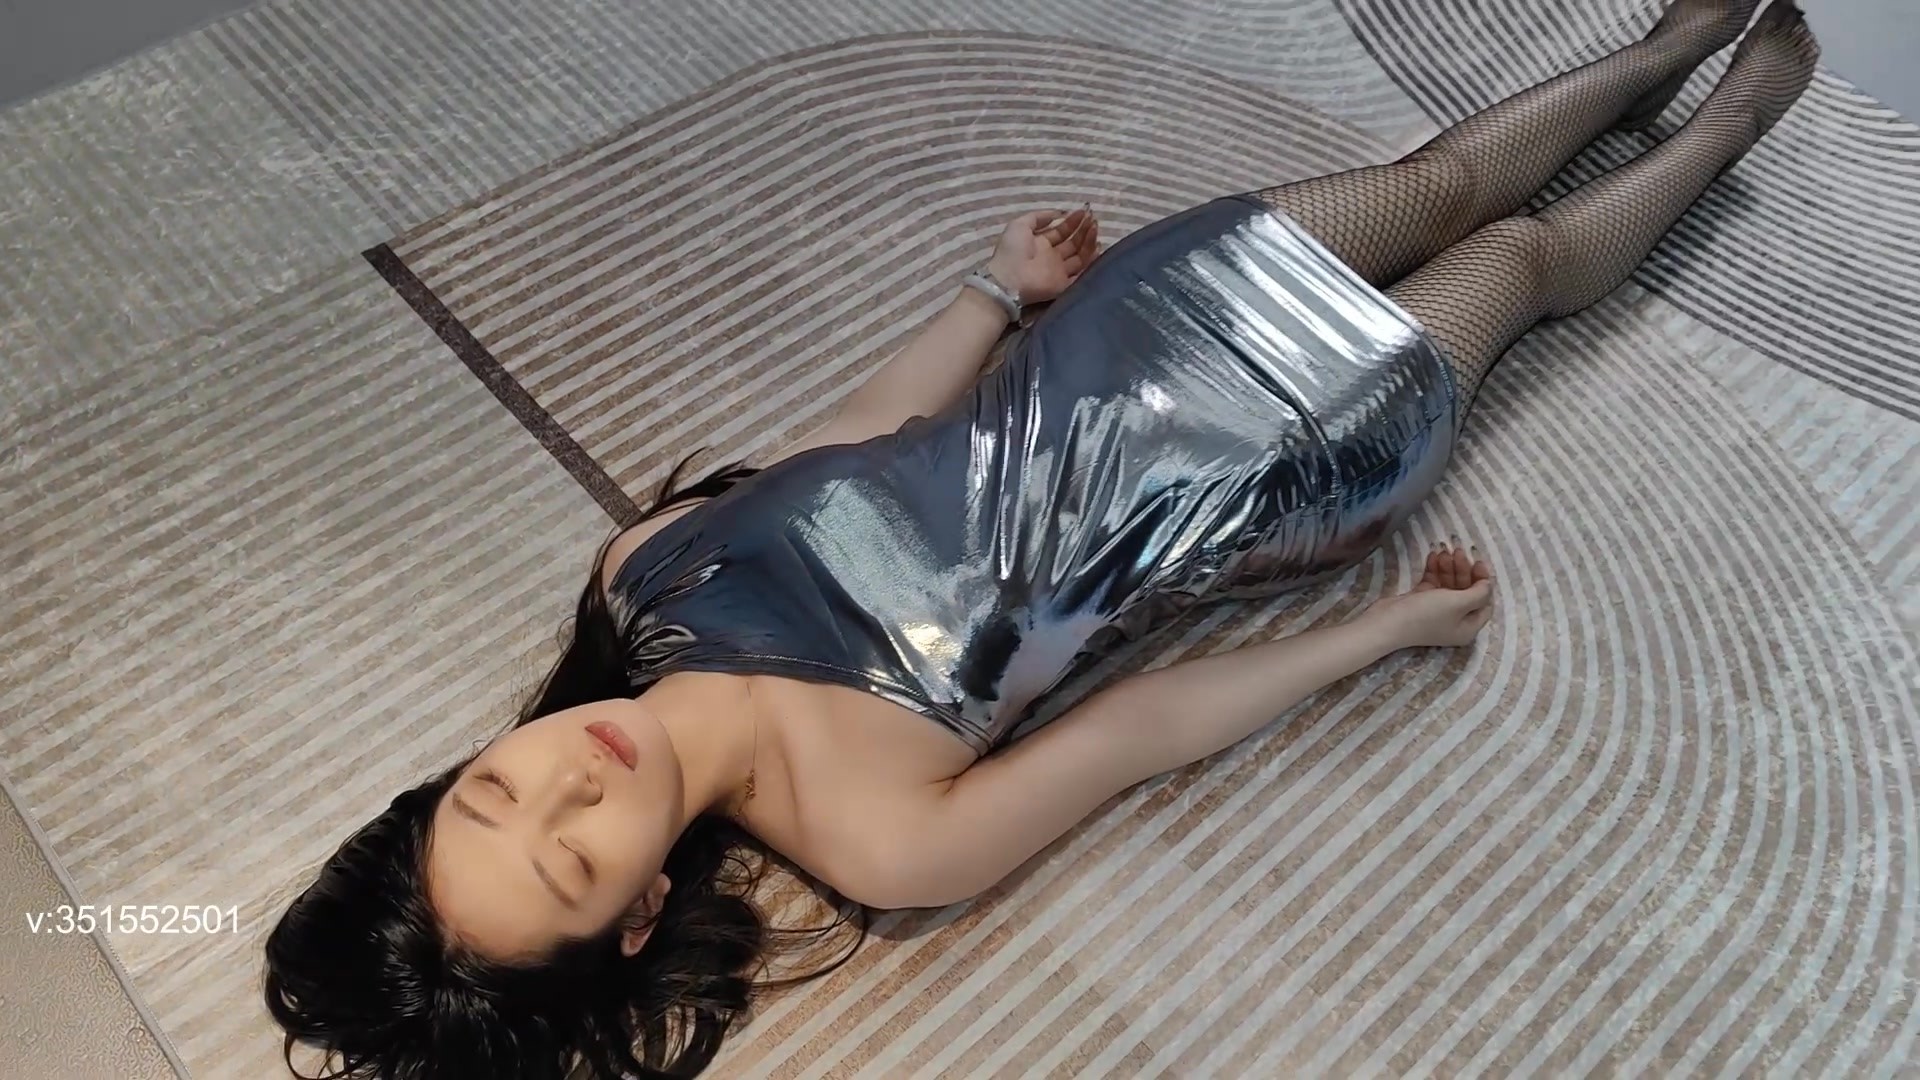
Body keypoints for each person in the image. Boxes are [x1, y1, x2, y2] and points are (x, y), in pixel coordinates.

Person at [262, 2, 1818, 1076]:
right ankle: (1738, 117)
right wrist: (1381, 635)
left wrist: (993, 295)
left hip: (1123, 330)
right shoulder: (881, 841)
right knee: (1521, 259)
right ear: (641, 914)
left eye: (493, 793)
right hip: (1278, 472)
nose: (568, 785)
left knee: (1436, 182)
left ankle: (1668, 45)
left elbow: (863, 434)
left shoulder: (644, 573)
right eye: (573, 860)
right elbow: (1142, 729)